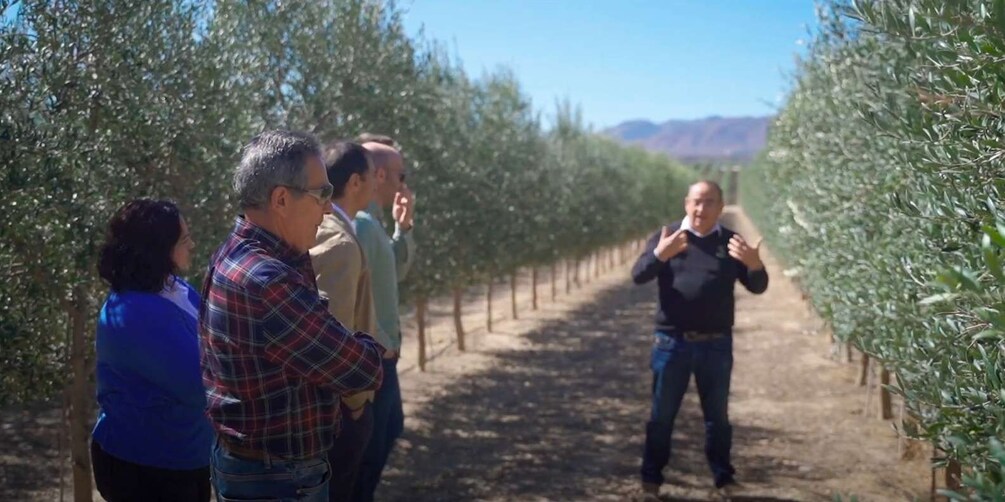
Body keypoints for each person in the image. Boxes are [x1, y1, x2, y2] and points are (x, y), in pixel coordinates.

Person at [201, 130, 385, 501]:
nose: (328, 208)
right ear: (282, 199)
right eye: (322, 194)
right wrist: (367, 344)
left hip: (255, 469)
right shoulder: (268, 282)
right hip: (279, 480)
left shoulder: (238, 254)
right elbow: (360, 369)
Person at [631, 180, 769, 498]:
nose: (700, 209)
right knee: (661, 416)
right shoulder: (668, 237)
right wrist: (659, 255)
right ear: (686, 204)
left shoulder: (731, 241)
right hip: (671, 343)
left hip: (716, 345)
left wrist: (755, 265)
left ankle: (724, 478)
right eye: (696, 202)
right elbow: (638, 275)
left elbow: (757, 286)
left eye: (708, 203)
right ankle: (651, 479)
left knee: (717, 419)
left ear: (720, 208)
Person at [91, 198, 213, 502]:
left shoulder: (175, 288)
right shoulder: (134, 312)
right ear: (160, 249)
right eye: (184, 239)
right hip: (146, 467)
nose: (192, 245)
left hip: (186, 456)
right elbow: (200, 386)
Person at [310, 141, 391, 501]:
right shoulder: (338, 242)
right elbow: (336, 337)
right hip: (342, 411)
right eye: (373, 175)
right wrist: (356, 404)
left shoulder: (336, 230)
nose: (379, 183)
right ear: (355, 182)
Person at [352, 136, 415, 502]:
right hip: (372, 358)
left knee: (390, 430)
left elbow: (395, 271)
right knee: (368, 453)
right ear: (379, 175)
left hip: (383, 356)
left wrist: (403, 228)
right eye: (399, 174)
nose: (402, 184)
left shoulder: (372, 223)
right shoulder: (359, 227)